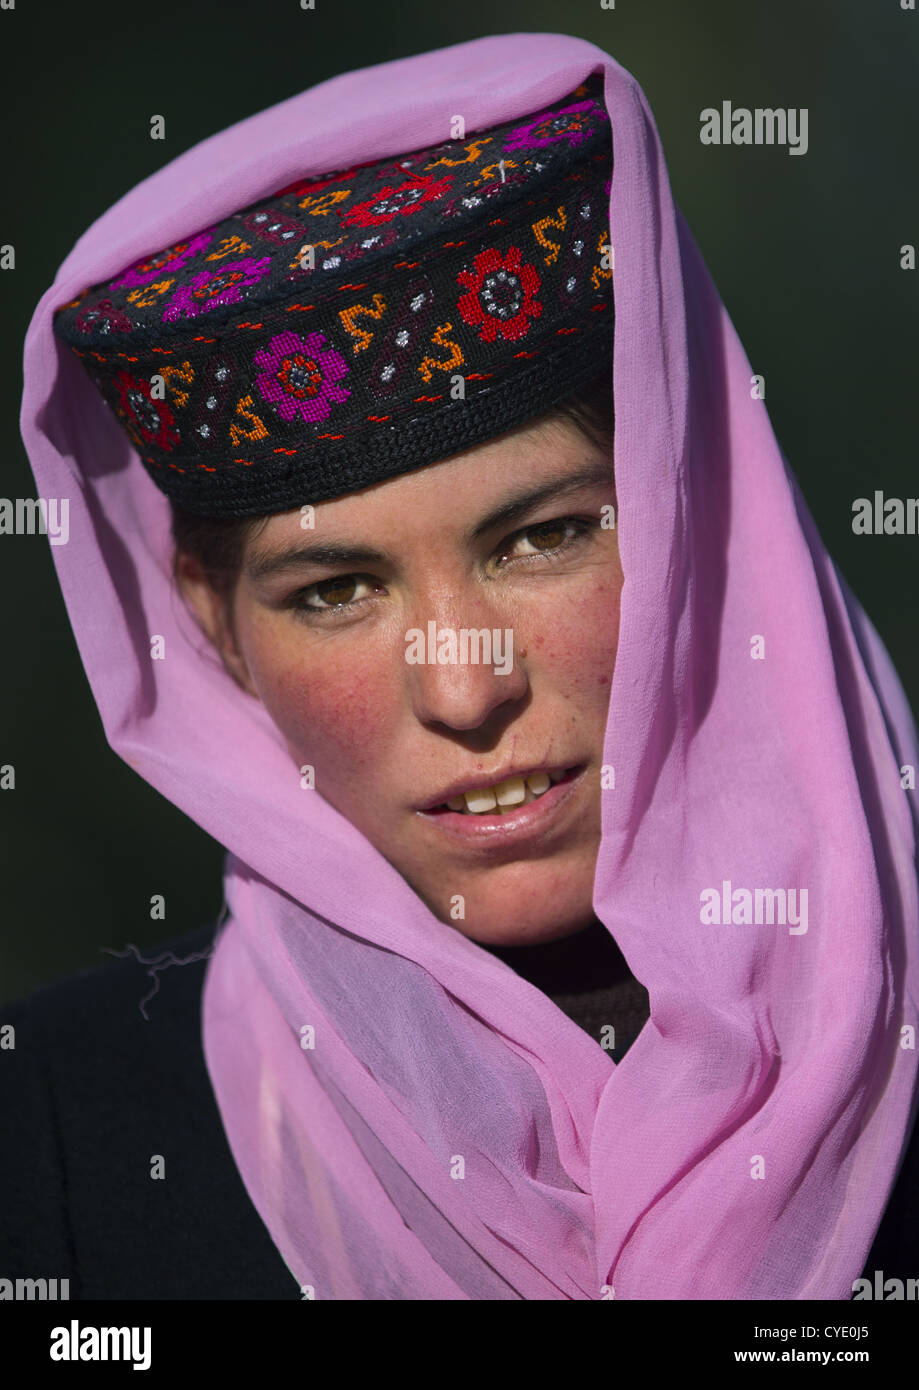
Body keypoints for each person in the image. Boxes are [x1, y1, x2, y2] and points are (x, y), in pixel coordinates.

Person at [4, 32, 918, 1301]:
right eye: (337, 591)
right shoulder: (55, 1131)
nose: (464, 687)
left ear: (696, 515)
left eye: (541, 538)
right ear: (213, 623)